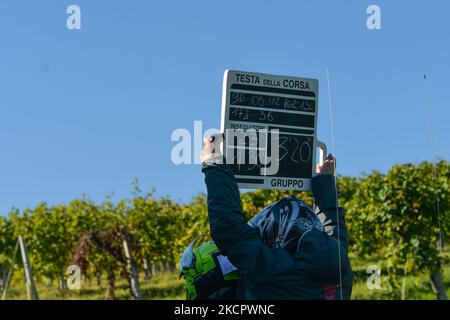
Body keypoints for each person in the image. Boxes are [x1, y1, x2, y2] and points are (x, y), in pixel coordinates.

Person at [200, 134, 353, 300]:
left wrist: (213, 163)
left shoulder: (277, 275)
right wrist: (325, 182)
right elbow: (333, 236)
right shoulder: (339, 268)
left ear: (280, 239)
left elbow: (229, 231)